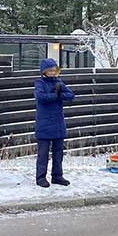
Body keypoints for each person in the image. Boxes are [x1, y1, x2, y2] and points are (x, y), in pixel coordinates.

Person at [34, 58, 75, 188]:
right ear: (44, 71)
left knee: (58, 153)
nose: (52, 73)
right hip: (44, 123)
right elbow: (40, 97)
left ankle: (57, 176)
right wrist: (55, 96)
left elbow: (71, 95)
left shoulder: (59, 82)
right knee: (43, 154)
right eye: (50, 70)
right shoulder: (39, 82)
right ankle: (41, 177)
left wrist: (59, 94)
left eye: (54, 70)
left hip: (58, 123)